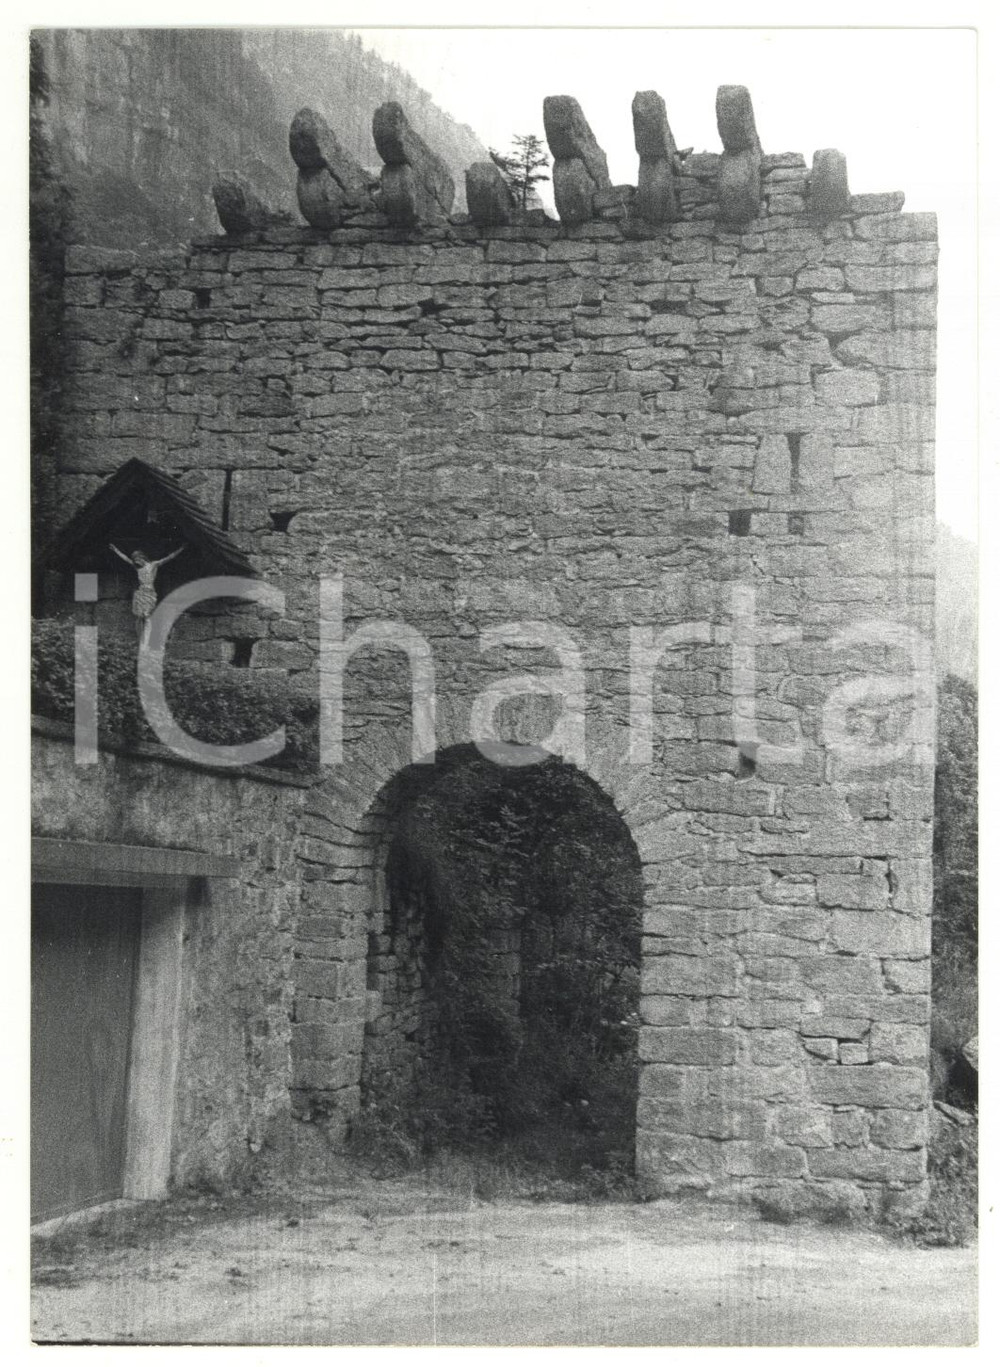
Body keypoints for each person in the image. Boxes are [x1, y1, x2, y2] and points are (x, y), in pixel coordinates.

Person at [109, 542, 185, 648]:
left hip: (150, 593)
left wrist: (180, 549)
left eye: (137, 559)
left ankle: (148, 640)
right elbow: (126, 559)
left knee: (148, 617)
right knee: (139, 617)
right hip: (141, 593)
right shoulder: (137, 567)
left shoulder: (153, 565)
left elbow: (168, 558)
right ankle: (141, 639)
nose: (136, 562)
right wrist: (116, 550)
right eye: (134, 560)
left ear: (142, 558)